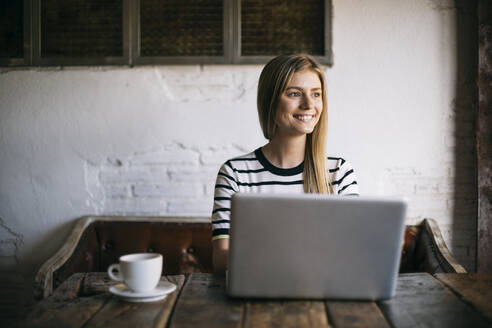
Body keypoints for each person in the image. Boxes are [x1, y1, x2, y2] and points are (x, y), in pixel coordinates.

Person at [211, 54, 359, 273]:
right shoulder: (235, 173)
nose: (309, 104)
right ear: (270, 101)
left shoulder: (339, 173)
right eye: (294, 93)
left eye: (316, 94)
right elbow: (221, 260)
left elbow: (351, 255)